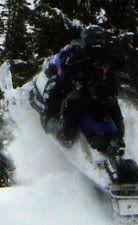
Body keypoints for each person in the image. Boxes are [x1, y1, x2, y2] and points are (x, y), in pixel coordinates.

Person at [44, 26, 125, 154]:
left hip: (88, 99)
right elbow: (121, 62)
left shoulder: (83, 54)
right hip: (108, 100)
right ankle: (119, 139)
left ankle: (67, 137)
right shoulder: (109, 53)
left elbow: (66, 69)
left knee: (68, 104)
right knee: (116, 111)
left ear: (86, 38)